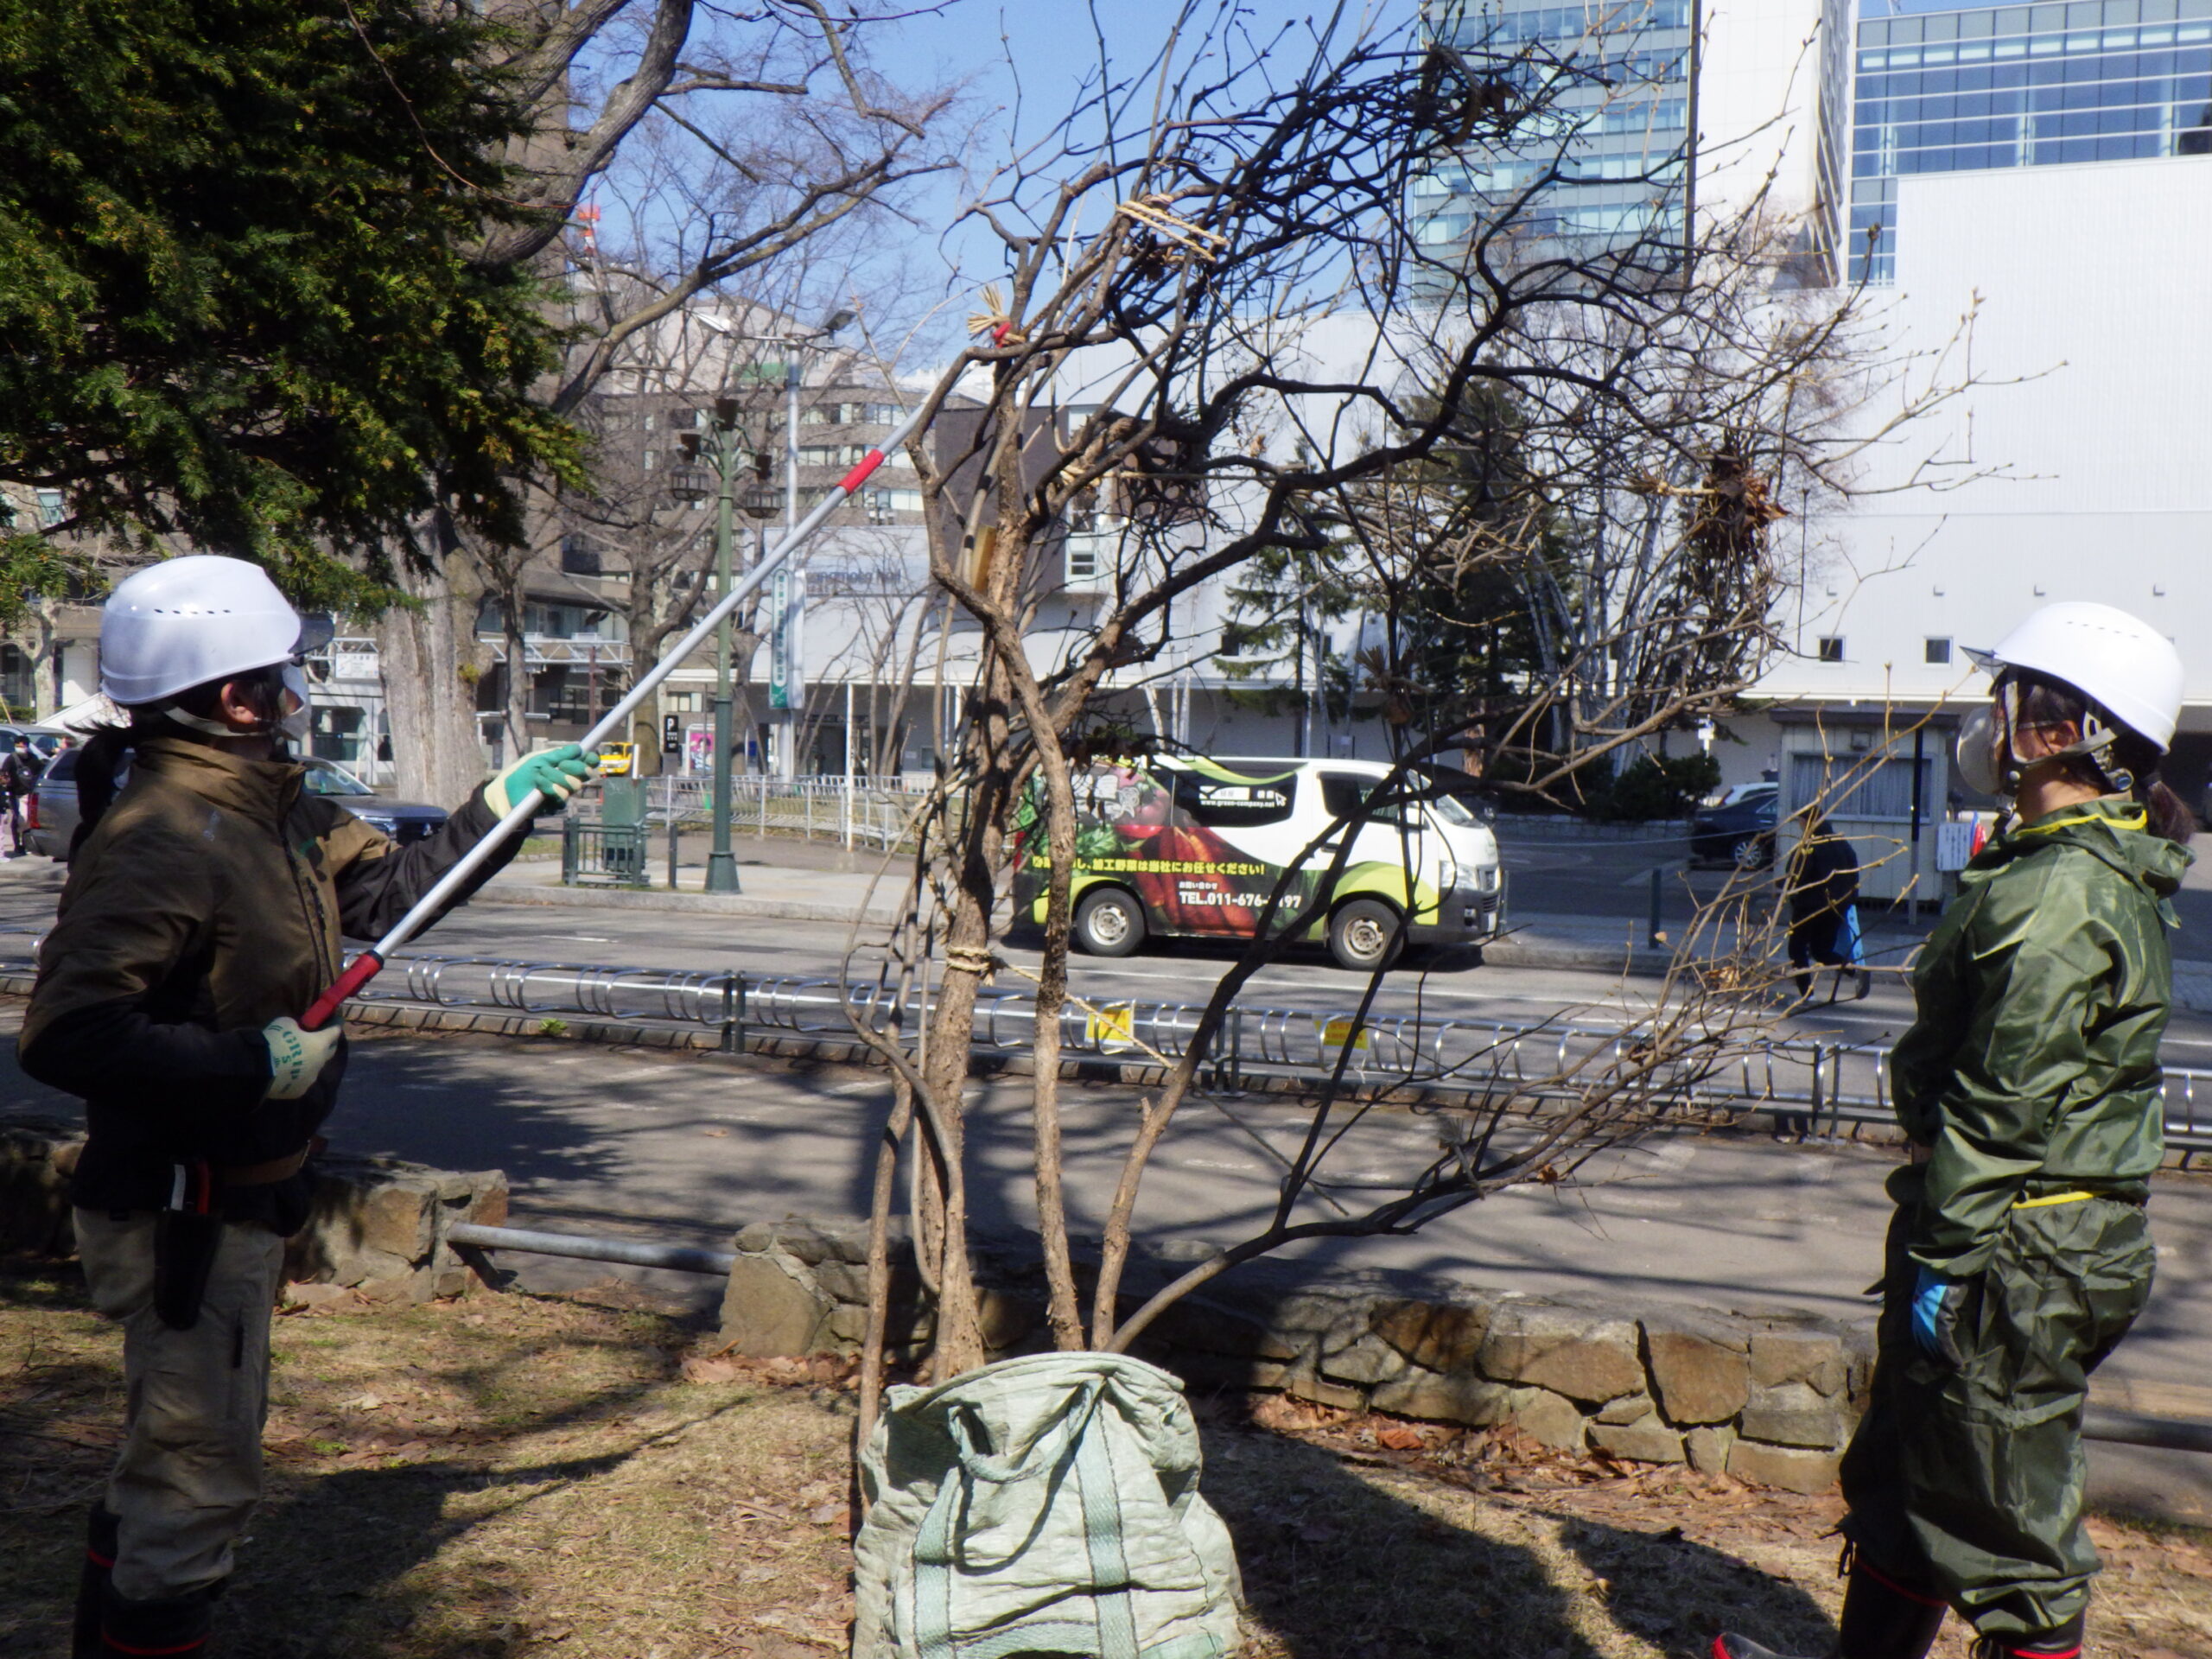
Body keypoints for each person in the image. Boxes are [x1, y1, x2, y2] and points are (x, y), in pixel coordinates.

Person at [22, 556, 599, 1658]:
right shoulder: (165, 836)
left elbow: (390, 893)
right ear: (234, 695)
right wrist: (252, 1062)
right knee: (196, 1483)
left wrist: (501, 807)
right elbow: (70, 1032)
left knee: (172, 1458)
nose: (296, 691)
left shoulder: (270, 809)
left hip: (236, 1205)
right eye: (281, 673)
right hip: (179, 1215)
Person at [1718, 601, 2191, 1659]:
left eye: (2005, 697)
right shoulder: (2045, 863)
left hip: (2014, 1246)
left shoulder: (2063, 893)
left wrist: (1943, 1252)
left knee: (2003, 1522)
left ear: (2056, 729)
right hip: (1994, 1231)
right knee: (1903, 1483)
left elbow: (2006, 1098)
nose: (1987, 719)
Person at [1785, 817, 1866, 1002]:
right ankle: (1854, 970)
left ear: (1807, 823)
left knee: (1797, 949)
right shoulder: (1842, 843)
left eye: (1800, 822)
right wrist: (1850, 900)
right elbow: (1854, 873)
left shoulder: (1810, 845)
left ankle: (1808, 994)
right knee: (1822, 950)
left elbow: (1797, 875)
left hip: (1809, 906)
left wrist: (1785, 889)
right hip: (1837, 906)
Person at [1, 733, 44, 855]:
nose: (20, 747)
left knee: (27, 820)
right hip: (15, 793)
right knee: (19, 818)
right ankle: (18, 845)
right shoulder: (11, 758)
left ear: (27, 746)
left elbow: (39, 772)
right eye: (17, 745)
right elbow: (4, 773)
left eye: (22, 745)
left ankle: (25, 844)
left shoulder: (33, 758)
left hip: (29, 793)